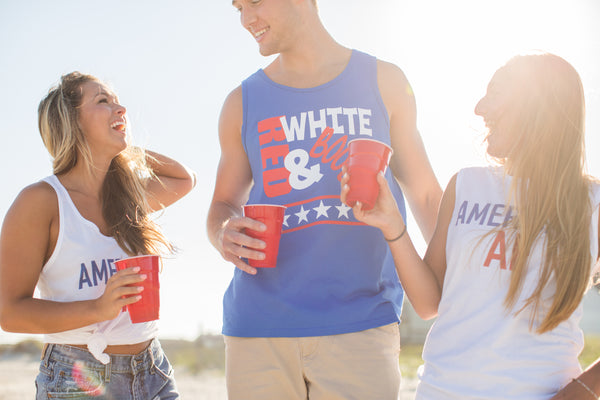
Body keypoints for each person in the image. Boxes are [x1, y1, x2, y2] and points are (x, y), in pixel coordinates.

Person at [207, 0, 441, 398]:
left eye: (256, 2)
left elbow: (424, 193)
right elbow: (222, 204)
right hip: (258, 328)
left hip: (361, 323)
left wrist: (452, 289)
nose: (247, 20)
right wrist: (224, 231)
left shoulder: (384, 81)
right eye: (238, 8)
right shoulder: (240, 102)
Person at [341, 52, 600, 400]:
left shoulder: (592, 202)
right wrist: (392, 225)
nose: (480, 108)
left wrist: (581, 392)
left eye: (495, 92)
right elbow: (429, 302)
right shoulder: (465, 185)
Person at [0, 72, 196, 399]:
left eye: (117, 101)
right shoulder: (41, 201)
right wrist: (97, 308)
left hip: (152, 370)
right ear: (71, 122)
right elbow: (9, 312)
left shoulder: (127, 197)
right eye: (103, 101)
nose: (120, 108)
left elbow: (184, 179)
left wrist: (122, 146)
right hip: (77, 376)